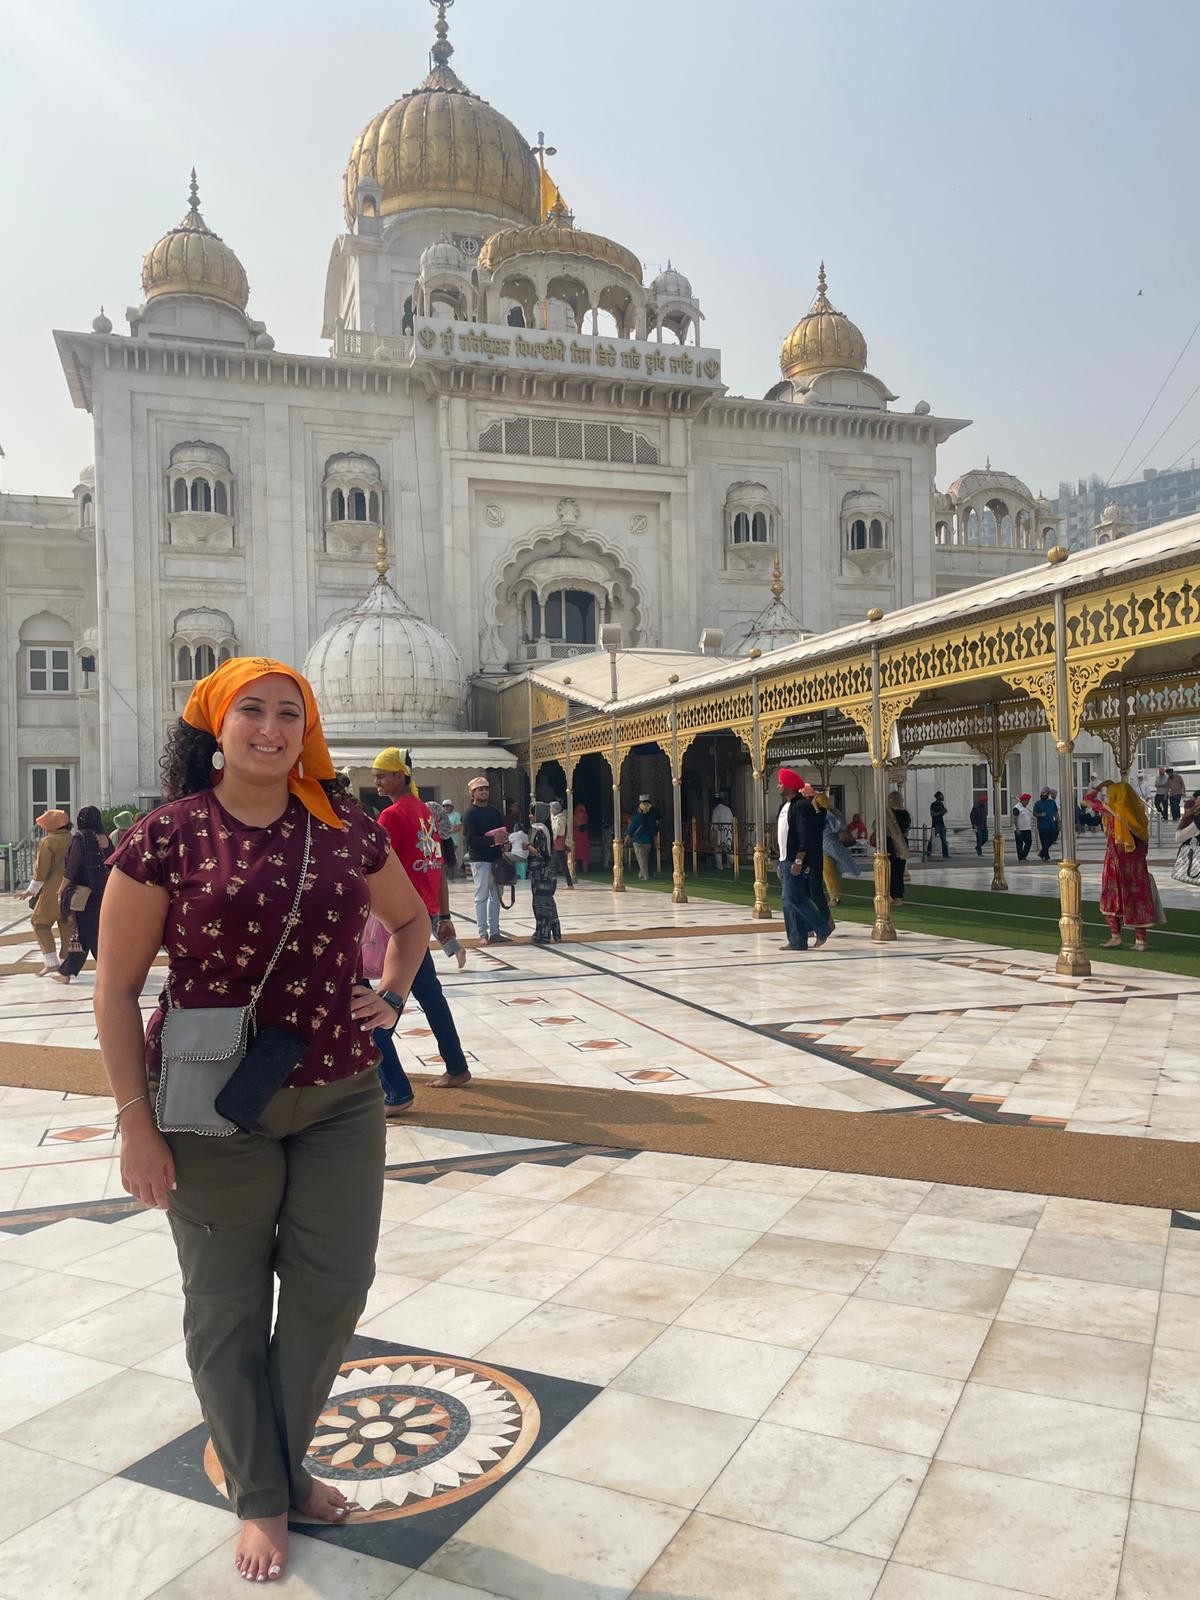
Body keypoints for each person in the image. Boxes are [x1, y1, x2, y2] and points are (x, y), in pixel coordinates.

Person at [94, 657, 430, 1585]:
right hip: (207, 1112)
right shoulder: (163, 839)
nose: (272, 729)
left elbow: (410, 924)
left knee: (331, 1290)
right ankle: (263, 1495)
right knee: (227, 1306)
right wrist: (135, 1124)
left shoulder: (346, 830)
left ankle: (274, 1469)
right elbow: (117, 990)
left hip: (341, 1096)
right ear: (214, 723)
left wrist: (392, 997)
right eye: (253, 711)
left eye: (291, 713)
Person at [372, 749, 472, 1106]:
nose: (377, 781)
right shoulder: (426, 814)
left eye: (383, 774)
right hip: (422, 915)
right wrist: (442, 916)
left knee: (380, 1008)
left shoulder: (393, 815)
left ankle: (395, 1091)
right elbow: (439, 867)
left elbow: (375, 868)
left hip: (398, 921)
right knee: (429, 996)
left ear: (401, 776)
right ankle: (457, 1066)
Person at [1086, 779, 1166, 952]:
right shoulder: (1139, 816)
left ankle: (1116, 937)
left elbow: (1088, 800)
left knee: (1111, 899)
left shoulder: (1112, 812)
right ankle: (1141, 941)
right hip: (1137, 868)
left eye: (1110, 795)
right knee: (1137, 900)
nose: (1108, 799)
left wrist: (1099, 787)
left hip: (1116, 865)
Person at [51, 806, 111, 984]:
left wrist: (61, 889)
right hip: (104, 894)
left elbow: (73, 867)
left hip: (85, 895)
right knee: (93, 933)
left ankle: (67, 973)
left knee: (85, 934)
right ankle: (70, 971)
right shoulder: (106, 839)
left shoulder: (81, 838)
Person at [775, 769, 830, 951]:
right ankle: (797, 941)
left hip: (795, 861)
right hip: (786, 860)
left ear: (789, 785)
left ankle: (822, 928)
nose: (778, 786)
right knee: (788, 901)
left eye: (781, 783)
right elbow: (784, 836)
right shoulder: (786, 806)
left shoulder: (801, 806)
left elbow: (804, 837)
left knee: (795, 898)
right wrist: (780, 861)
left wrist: (798, 861)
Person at [17, 809, 74, 975]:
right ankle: (66, 964)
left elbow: (41, 871)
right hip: (71, 890)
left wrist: (30, 891)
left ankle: (51, 962)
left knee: (39, 923)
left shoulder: (47, 842)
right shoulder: (74, 840)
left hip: (51, 892)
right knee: (67, 928)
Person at [463, 775, 507, 943]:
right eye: (480, 789)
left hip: (496, 858)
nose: (483, 792)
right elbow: (470, 840)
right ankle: (483, 933)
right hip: (480, 859)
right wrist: (493, 840)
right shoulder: (470, 814)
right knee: (481, 895)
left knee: (496, 895)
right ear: (472, 793)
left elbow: (501, 830)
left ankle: (495, 932)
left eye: (486, 789)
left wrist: (504, 841)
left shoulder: (494, 811)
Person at [816, 793, 860, 906]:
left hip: (825, 845)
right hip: (835, 845)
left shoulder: (824, 813)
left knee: (828, 872)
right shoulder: (836, 812)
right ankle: (836, 896)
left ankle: (834, 897)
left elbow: (835, 826)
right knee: (835, 871)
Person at [527, 802, 561, 943]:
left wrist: (527, 847)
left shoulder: (540, 831)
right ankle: (556, 933)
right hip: (545, 872)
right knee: (548, 902)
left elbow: (541, 853)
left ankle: (543, 934)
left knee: (541, 904)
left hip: (541, 873)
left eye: (533, 813)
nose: (530, 816)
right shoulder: (544, 829)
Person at [884, 791, 910, 903]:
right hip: (902, 843)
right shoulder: (906, 814)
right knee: (899, 870)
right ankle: (898, 895)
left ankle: (891, 894)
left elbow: (878, 827)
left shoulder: (887, 813)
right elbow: (907, 828)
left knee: (890, 870)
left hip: (890, 843)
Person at [626, 794, 659, 880]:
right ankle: (642, 874)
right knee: (645, 860)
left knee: (642, 860)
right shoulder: (651, 818)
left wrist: (627, 837)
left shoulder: (636, 818)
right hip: (648, 841)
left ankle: (645, 876)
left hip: (638, 841)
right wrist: (655, 840)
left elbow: (631, 829)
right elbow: (654, 830)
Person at [549, 800, 574, 886]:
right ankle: (553, 882)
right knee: (554, 863)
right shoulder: (555, 817)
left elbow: (557, 830)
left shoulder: (561, 818)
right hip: (557, 841)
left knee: (562, 863)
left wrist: (552, 839)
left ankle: (569, 884)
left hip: (559, 841)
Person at [1033, 787, 1059, 861]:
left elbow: (1056, 812)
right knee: (1044, 841)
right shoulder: (1037, 803)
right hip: (1042, 826)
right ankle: (1046, 856)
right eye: (1041, 793)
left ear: (1048, 794)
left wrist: (1058, 821)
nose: (1042, 794)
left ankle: (1042, 853)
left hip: (1051, 824)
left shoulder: (1052, 802)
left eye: (1044, 793)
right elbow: (1034, 813)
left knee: (1052, 839)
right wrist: (1040, 815)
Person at [710, 792, 734, 869]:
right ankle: (731, 863)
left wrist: (712, 833)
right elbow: (732, 820)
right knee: (728, 849)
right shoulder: (728, 809)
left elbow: (714, 823)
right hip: (728, 832)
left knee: (717, 850)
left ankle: (720, 866)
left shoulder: (716, 810)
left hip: (719, 833)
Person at [924, 791, 949, 859]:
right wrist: (940, 812)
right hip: (936, 824)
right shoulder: (933, 804)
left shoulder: (941, 804)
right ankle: (928, 852)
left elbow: (943, 812)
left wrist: (943, 812)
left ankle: (946, 854)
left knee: (944, 840)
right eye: (941, 795)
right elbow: (932, 814)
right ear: (938, 797)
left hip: (941, 824)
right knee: (932, 839)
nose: (943, 797)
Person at [1012, 793, 1034, 861]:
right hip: (1020, 829)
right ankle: (1020, 858)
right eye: (1026, 801)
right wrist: (1017, 828)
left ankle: (1024, 855)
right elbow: (1015, 819)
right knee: (1019, 844)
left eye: (1028, 801)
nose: (1027, 803)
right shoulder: (1016, 808)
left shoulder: (1026, 808)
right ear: (1023, 801)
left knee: (1029, 842)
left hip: (1027, 828)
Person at [572, 802, 590, 874]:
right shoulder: (585, 816)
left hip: (576, 837)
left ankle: (574, 871)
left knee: (575, 855)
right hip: (584, 838)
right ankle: (585, 870)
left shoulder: (574, 817)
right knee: (584, 856)